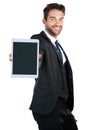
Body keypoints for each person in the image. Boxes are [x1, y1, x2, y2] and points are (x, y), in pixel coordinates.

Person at [9, 3, 78, 130]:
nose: (58, 23)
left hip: (64, 108)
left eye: (61, 19)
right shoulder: (39, 39)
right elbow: (37, 54)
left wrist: (67, 110)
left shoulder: (59, 46)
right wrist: (25, 58)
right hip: (47, 108)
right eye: (53, 19)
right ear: (44, 21)